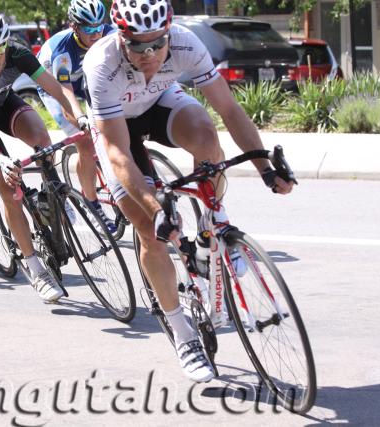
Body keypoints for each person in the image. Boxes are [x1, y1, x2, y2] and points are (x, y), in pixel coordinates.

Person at [83, 0, 294, 382]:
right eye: (137, 46)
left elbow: (229, 110)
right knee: (149, 229)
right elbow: (116, 151)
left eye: (157, 44)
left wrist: (264, 166)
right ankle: (182, 334)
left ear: (169, 33)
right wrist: (155, 206)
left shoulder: (185, 43)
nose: (148, 55)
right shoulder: (101, 64)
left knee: (207, 135)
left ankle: (214, 221)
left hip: (158, 103)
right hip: (117, 128)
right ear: (120, 38)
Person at [0, 11, 82, 303]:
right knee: (10, 191)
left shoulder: (18, 53)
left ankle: (52, 194)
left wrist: (81, 118)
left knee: (41, 138)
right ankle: (35, 269)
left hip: (6, 105)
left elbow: (58, 90)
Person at [36, 0, 117, 233]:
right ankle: (91, 204)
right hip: (55, 84)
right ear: (74, 27)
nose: (96, 33)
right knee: (85, 139)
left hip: (83, 75)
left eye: (99, 26)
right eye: (88, 29)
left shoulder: (109, 33)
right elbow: (66, 94)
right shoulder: (63, 52)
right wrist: (82, 119)